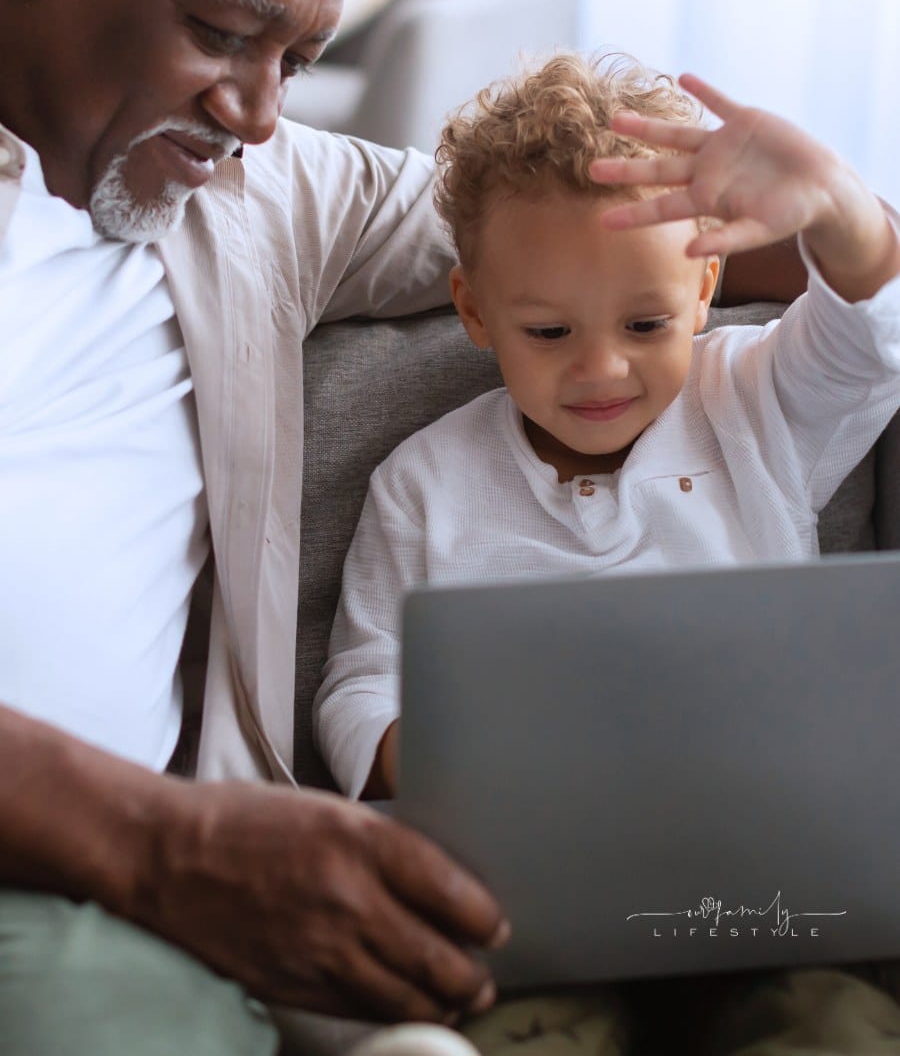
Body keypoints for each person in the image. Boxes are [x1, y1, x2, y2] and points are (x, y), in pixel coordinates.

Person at [0, 0, 815, 1056]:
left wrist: (850, 222)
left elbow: (573, 221)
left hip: (190, 894)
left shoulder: (258, 191)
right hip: (109, 876)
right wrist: (164, 843)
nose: (261, 115)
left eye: (299, 61)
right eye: (223, 31)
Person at [314, 52, 900, 1054]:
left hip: (769, 889)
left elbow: (874, 336)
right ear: (473, 311)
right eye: (547, 331)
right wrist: (458, 763)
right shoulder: (425, 483)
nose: (600, 369)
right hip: (533, 915)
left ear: (706, 287)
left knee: (836, 1026)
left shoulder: (751, 403)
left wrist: (839, 206)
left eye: (645, 323)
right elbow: (358, 687)